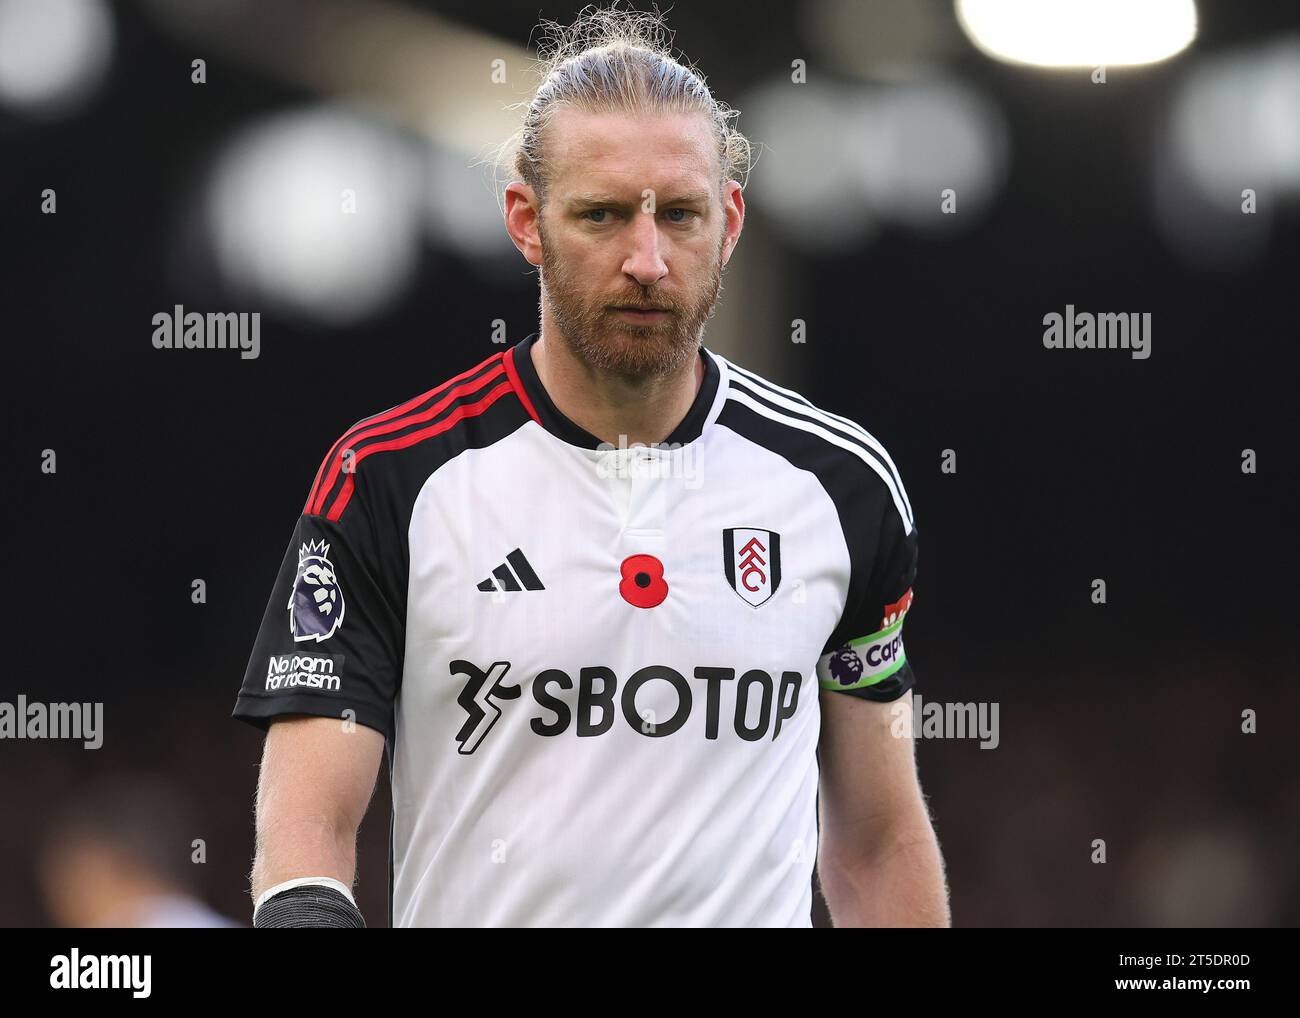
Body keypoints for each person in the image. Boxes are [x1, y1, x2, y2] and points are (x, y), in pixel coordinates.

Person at [233, 5, 948, 927]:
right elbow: (305, 839)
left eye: (680, 215)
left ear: (728, 222)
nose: (647, 260)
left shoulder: (841, 486)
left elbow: (879, 843)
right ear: (526, 221)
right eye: (602, 216)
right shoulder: (388, 479)